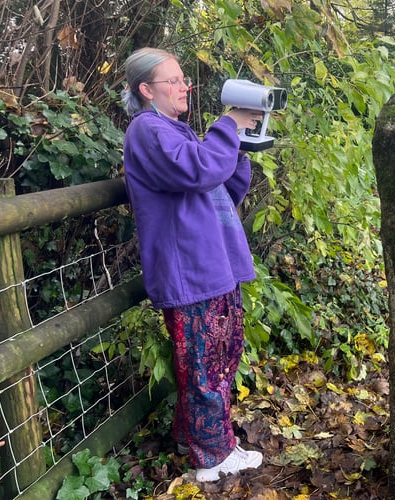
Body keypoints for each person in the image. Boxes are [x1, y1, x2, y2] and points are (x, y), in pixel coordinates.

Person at [121, 47, 265, 481]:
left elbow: (217, 189)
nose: (185, 86)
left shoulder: (175, 130)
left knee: (217, 359)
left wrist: (239, 148)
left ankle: (191, 435)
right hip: (191, 273)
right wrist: (227, 126)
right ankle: (213, 457)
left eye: (184, 79)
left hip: (210, 266)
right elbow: (198, 172)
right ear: (147, 90)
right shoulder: (147, 130)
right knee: (206, 367)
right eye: (174, 81)